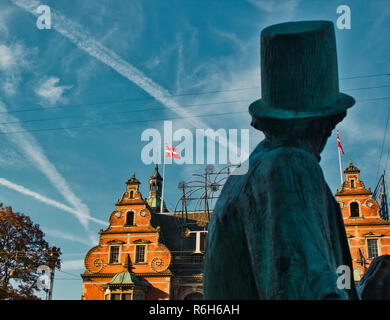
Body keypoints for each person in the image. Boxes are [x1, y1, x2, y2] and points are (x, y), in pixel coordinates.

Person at [203, 20, 360, 299]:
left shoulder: (245, 172)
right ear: (324, 122)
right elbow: (305, 292)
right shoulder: (290, 165)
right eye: (331, 122)